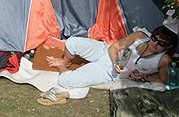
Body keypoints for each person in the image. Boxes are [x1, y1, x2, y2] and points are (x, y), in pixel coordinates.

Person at [46, 26, 178, 89]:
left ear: (169, 46)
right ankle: (66, 61)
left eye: (161, 43)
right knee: (72, 42)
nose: (154, 44)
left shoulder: (163, 60)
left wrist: (143, 77)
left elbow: (162, 80)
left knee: (66, 82)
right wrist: (116, 61)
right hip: (105, 51)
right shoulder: (140, 36)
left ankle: (61, 66)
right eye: (154, 38)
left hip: (109, 72)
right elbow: (113, 47)